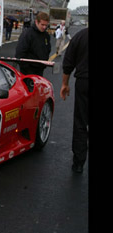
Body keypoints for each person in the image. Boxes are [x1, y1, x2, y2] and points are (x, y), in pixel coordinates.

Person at [59, 27, 88, 173]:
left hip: (84, 82)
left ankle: (78, 163)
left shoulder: (80, 36)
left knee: (80, 122)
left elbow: (68, 62)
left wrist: (65, 84)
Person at [15, 11, 51, 76]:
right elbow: (20, 53)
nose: (44, 27)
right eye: (42, 25)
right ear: (36, 22)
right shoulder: (28, 34)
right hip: (28, 71)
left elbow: (48, 49)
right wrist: (26, 68)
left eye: (46, 25)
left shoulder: (46, 36)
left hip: (40, 70)